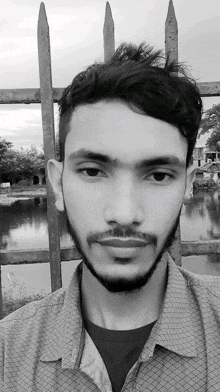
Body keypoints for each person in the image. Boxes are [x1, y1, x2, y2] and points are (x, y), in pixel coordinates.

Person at [0, 42, 220, 392]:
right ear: (57, 183)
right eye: (92, 171)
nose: (124, 214)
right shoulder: (7, 352)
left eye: (158, 175)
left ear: (187, 187)